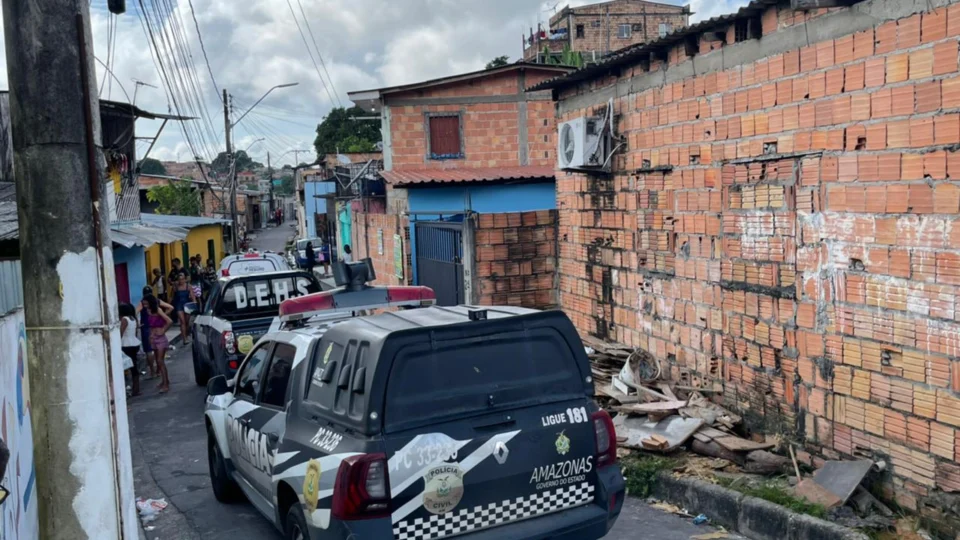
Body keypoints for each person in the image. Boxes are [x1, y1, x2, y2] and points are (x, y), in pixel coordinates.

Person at [145, 295, 173, 393]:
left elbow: (169, 321)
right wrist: (151, 336)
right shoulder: (149, 311)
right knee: (158, 361)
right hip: (154, 337)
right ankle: (164, 381)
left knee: (160, 361)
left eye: (146, 303)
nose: (145, 306)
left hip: (160, 338)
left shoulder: (158, 310)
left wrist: (163, 330)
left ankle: (166, 384)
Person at [119, 303, 141, 397]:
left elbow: (121, 333)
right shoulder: (133, 319)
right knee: (134, 367)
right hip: (134, 343)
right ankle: (136, 389)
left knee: (123, 367)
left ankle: (127, 390)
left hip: (126, 345)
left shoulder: (125, 319)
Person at [171, 273, 196, 345]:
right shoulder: (175, 287)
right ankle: (184, 339)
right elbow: (171, 297)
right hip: (179, 305)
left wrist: (194, 305)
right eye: (179, 279)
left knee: (187, 322)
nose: (181, 281)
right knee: (182, 322)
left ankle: (187, 334)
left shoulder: (188, 286)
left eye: (182, 279)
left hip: (187, 305)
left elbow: (193, 296)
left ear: (185, 279)